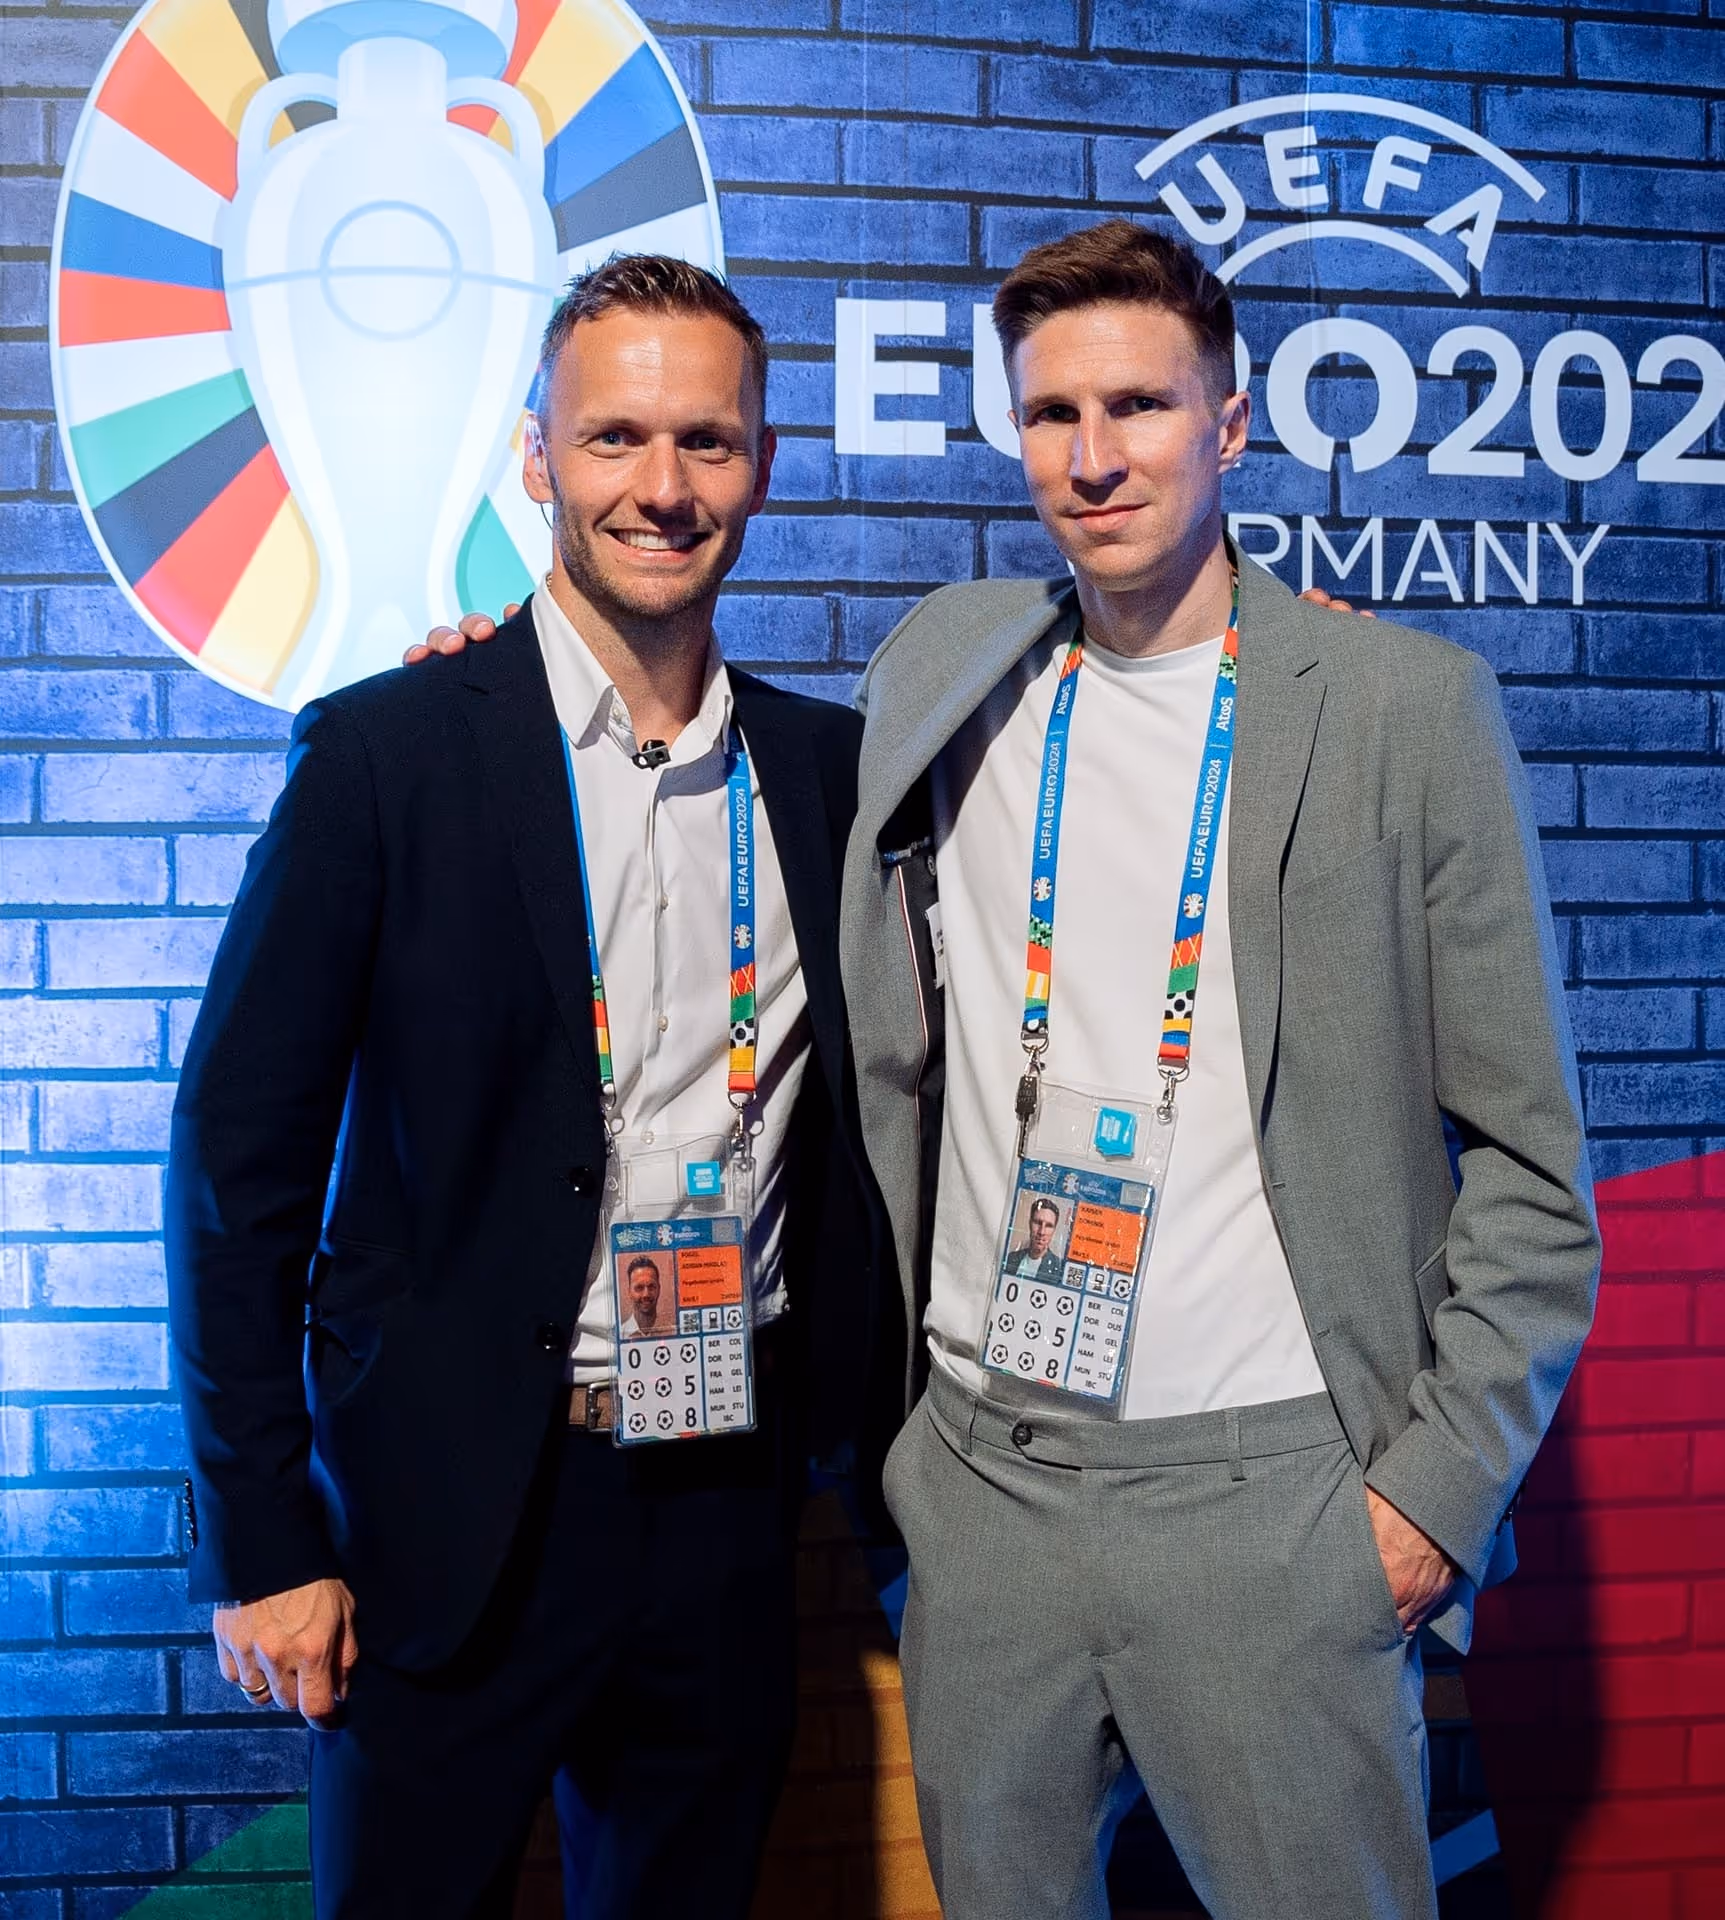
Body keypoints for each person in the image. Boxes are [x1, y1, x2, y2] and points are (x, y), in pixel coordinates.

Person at [837, 220, 1600, 1919]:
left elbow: (1540, 1185)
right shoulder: (941, 669)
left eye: (1139, 407)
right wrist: (494, 661)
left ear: (1233, 425)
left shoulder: (1404, 709)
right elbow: (706, 746)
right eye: (1050, 415)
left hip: (1281, 1508)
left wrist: (1422, 1504)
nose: (1092, 457)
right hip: (983, 1488)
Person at [166, 255, 888, 1920]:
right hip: (450, 1522)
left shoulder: (832, 778)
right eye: (616, 437)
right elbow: (235, 1167)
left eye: (707, 442)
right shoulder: (386, 756)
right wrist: (266, 1539)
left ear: (762, 465)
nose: (661, 486)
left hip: (723, 1500)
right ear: (535, 458)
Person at [1006, 1197, 1063, 1282]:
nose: (1042, 1232)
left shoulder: (1060, 1269)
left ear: (1054, 1230)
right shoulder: (1011, 1258)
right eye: (1037, 1223)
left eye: (1049, 1226)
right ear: (1030, 1224)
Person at [617, 1255, 673, 1339]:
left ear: (659, 1289)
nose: (646, 1294)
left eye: (651, 1286)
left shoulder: (672, 1332)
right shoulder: (621, 1335)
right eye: (639, 1287)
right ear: (629, 1292)